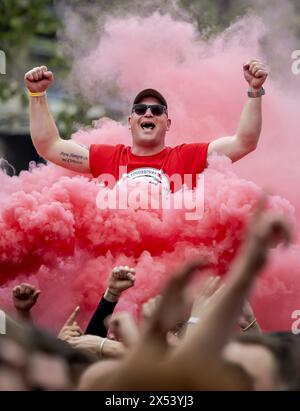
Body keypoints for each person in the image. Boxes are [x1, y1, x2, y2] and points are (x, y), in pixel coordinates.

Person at [24, 60, 268, 193]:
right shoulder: (108, 157)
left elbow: (244, 142)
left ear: (167, 122)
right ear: (130, 122)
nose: (148, 113)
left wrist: (254, 91)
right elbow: (49, 146)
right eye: (140, 110)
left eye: (157, 110)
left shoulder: (186, 157)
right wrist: (37, 95)